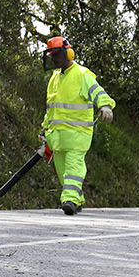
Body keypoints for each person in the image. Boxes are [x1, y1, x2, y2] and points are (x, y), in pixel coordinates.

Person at [41, 36, 115, 215]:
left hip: (78, 135)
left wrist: (105, 106)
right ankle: (78, 199)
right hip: (57, 136)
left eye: (56, 54)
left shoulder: (82, 74)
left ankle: (70, 201)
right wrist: (44, 129)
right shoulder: (54, 78)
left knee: (74, 168)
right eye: (51, 55)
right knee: (62, 173)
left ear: (68, 53)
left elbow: (97, 91)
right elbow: (51, 108)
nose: (53, 59)